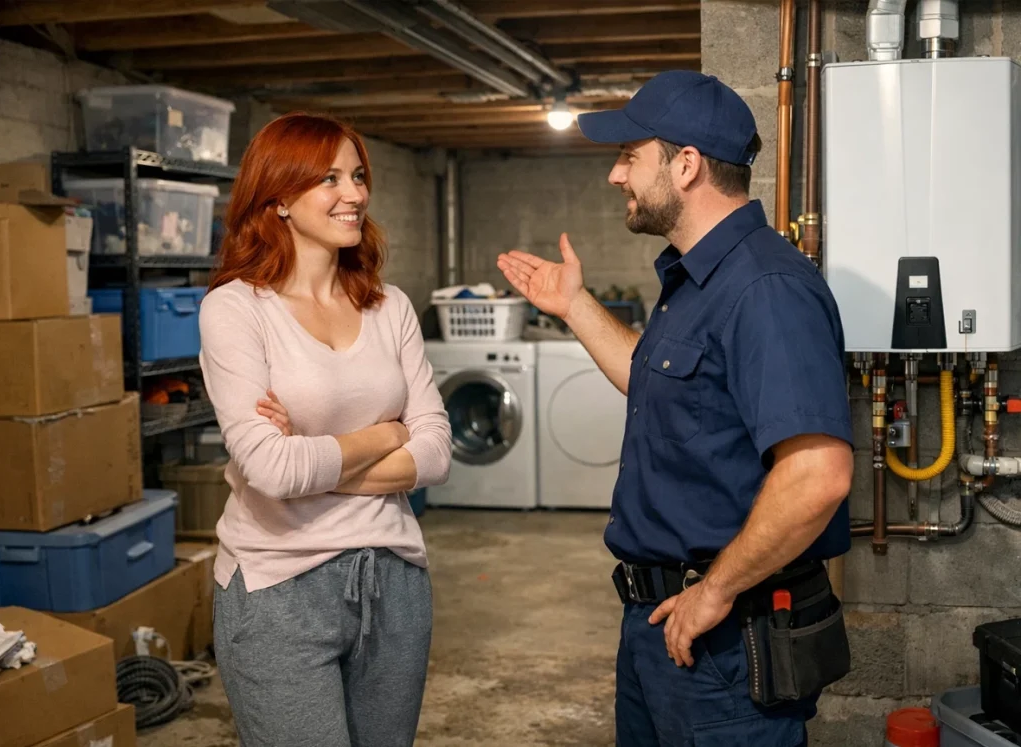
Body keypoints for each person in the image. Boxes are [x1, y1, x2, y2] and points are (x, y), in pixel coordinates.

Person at [497, 70, 854, 746]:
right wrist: (573, 304)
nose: (615, 174)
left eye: (630, 155)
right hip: (660, 622)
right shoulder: (694, 280)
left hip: (722, 641)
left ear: (685, 165)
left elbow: (818, 475)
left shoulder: (766, 289)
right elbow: (656, 381)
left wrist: (715, 591)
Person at [198, 111, 452, 747]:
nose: (355, 194)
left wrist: (309, 461)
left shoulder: (388, 306)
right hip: (278, 588)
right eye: (330, 179)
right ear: (279, 197)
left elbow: (438, 453)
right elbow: (272, 471)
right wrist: (386, 434)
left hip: (394, 581)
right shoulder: (235, 310)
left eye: (358, 175)